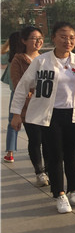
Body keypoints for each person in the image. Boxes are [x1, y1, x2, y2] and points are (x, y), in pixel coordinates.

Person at [11, 22, 75, 213]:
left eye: (72, 37)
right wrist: (16, 113)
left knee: (72, 155)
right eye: (63, 37)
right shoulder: (41, 62)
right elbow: (22, 87)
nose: (68, 41)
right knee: (55, 156)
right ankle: (59, 194)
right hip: (51, 115)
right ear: (53, 38)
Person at [10, 27, 51, 187]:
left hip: (46, 107)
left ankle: (49, 170)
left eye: (40, 38)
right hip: (29, 108)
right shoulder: (18, 60)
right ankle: (39, 172)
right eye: (34, 38)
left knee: (48, 140)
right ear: (24, 41)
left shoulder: (46, 59)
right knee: (35, 140)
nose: (38, 41)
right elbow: (18, 85)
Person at [2, 32, 22, 164]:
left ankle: (10, 153)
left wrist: (8, 44)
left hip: (15, 94)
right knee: (34, 123)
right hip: (30, 94)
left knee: (12, 123)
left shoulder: (9, 57)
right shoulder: (27, 56)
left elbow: (1, 55)